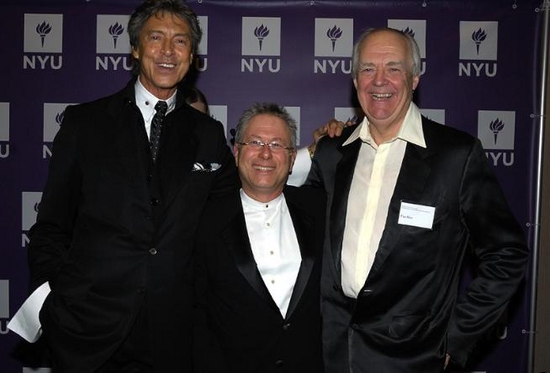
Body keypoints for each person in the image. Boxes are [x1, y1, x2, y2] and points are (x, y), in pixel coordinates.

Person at [23, 0, 238, 372]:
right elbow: (51, 227)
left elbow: (232, 219)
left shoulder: (208, 134)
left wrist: (311, 156)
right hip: (88, 334)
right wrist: (55, 307)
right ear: (136, 48)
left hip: (174, 337)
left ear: (193, 55)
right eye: (156, 38)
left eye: (181, 41)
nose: (168, 51)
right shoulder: (84, 124)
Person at [305, 27, 529, 372]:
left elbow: (507, 254)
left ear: (414, 79)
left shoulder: (455, 155)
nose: (379, 81)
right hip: (331, 353)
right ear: (354, 80)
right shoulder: (334, 153)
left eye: (393, 68)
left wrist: (457, 338)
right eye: (367, 69)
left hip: (415, 358)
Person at [194, 103, 326, 373]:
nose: (265, 154)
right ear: (237, 151)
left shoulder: (321, 208)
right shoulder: (203, 220)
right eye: (255, 142)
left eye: (277, 145)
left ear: (291, 159)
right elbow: (192, 313)